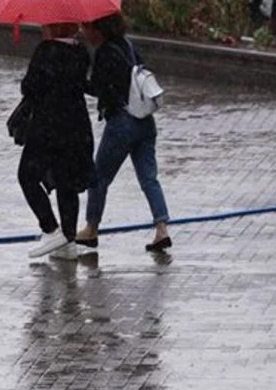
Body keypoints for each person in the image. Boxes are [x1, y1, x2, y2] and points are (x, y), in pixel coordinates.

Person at [75, 13, 171, 253]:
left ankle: (91, 229)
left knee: (98, 177)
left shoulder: (105, 53)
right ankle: (162, 228)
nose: (82, 31)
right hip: (145, 122)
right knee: (149, 178)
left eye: (85, 27)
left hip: (122, 123)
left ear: (97, 29)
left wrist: (77, 81)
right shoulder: (128, 46)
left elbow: (99, 89)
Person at [18, 22, 96, 260]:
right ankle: (69, 240)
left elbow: (29, 88)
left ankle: (50, 228)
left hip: (47, 127)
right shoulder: (80, 50)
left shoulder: (46, 50)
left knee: (27, 175)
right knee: (66, 181)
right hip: (76, 125)